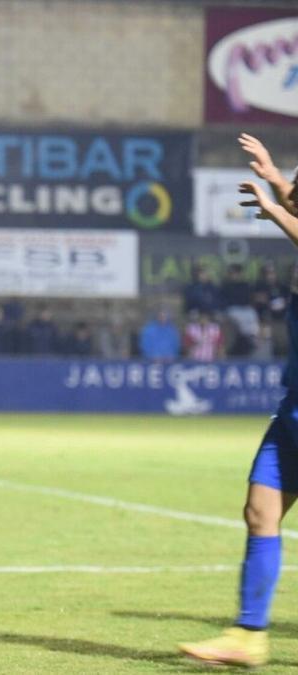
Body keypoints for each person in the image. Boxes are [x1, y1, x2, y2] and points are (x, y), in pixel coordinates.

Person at [177, 149, 298, 668]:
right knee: (259, 512)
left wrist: (275, 208)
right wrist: (276, 184)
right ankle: (249, 635)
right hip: (292, 411)